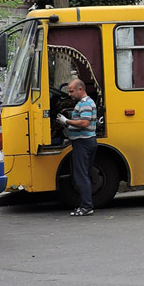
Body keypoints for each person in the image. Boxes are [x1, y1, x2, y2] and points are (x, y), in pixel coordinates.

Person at [55, 78, 97, 216]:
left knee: (81, 176)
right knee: (85, 174)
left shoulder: (84, 104)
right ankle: (86, 204)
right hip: (88, 141)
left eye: (72, 91)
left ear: (80, 89)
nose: (70, 94)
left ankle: (86, 207)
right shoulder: (87, 102)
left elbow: (84, 123)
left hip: (82, 143)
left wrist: (66, 121)